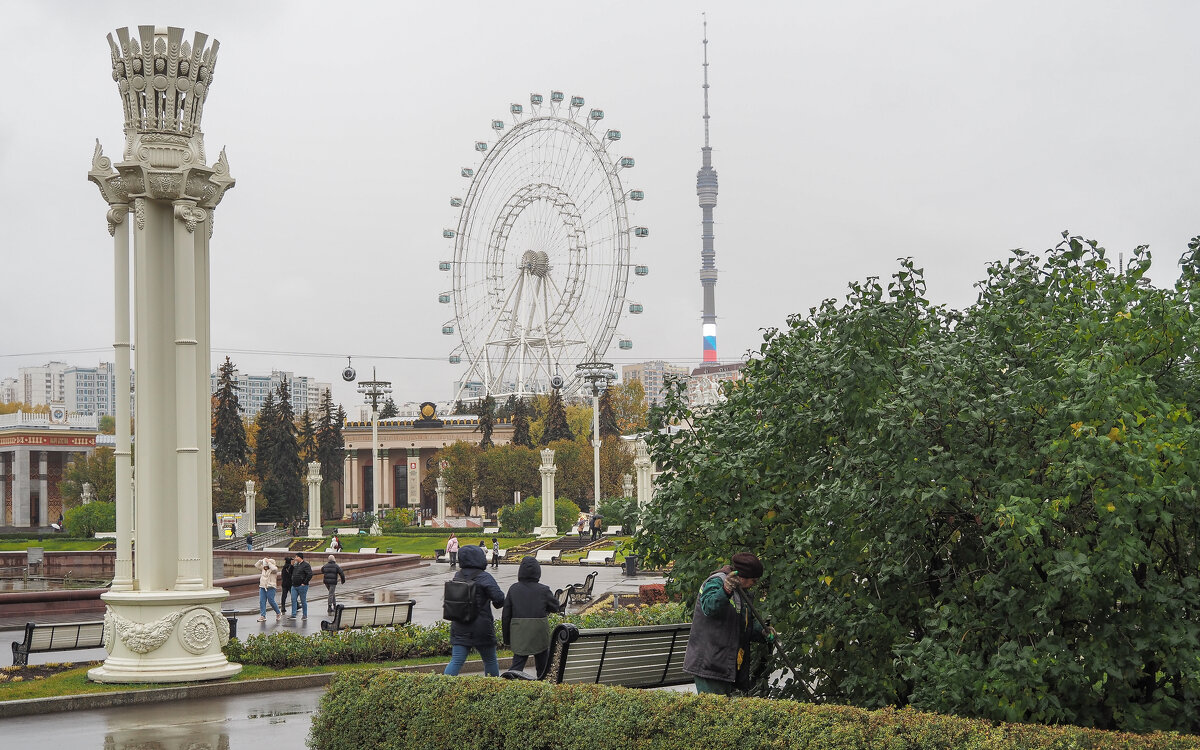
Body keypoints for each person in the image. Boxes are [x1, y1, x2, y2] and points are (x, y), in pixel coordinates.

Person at [682, 552, 775, 695]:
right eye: (754, 580)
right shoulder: (717, 582)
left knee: (723, 713)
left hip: (726, 664)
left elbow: (743, 625)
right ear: (742, 576)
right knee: (713, 712)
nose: (754, 584)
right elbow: (709, 607)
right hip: (710, 663)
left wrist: (762, 631)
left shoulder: (741, 591)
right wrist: (725, 590)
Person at [443, 544, 505, 676]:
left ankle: (442, 690)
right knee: (489, 660)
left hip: (460, 625)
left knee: (456, 661)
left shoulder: (457, 576)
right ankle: (492, 689)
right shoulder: (484, 577)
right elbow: (499, 599)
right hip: (481, 627)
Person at [502, 555, 560, 675]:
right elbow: (555, 607)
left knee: (517, 664)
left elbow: (506, 615)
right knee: (543, 664)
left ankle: (511, 684)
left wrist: (507, 639)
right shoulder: (544, 590)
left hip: (520, 632)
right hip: (539, 633)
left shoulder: (513, 589)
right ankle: (543, 686)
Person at [254, 556, 282, 622]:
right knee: (262, 601)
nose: (265, 566)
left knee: (271, 600)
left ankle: (278, 613)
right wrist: (261, 561)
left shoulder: (273, 571)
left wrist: (269, 562)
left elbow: (274, 569)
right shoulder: (263, 569)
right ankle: (263, 616)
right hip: (262, 587)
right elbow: (256, 565)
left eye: (266, 565)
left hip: (271, 587)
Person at [290, 552, 313, 620]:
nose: (295, 558)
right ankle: (293, 614)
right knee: (293, 599)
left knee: (303, 601)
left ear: (300, 557)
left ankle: (304, 615)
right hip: (294, 585)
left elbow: (310, 574)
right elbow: (290, 572)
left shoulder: (306, 565)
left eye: (296, 557)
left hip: (302, 586)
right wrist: (291, 565)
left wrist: (304, 583)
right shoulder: (296, 565)